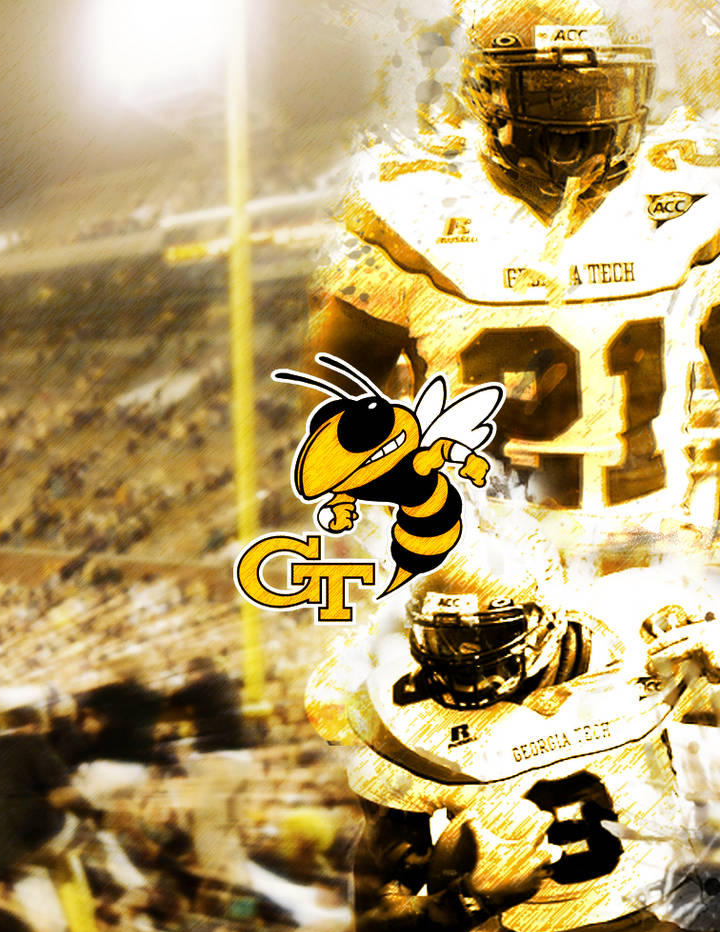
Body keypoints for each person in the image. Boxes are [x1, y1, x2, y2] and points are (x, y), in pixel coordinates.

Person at [308, 0, 720, 541]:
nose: (588, 112)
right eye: (556, 91)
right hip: (483, 555)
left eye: (604, 87)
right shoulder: (410, 206)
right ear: (492, 95)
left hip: (653, 537)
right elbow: (331, 400)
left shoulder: (693, 192)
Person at [344, 551, 720, 932]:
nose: (466, 663)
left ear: (544, 625)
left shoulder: (640, 645)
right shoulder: (404, 718)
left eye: (489, 637)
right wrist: (470, 899)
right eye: (446, 640)